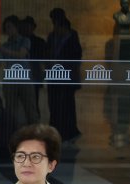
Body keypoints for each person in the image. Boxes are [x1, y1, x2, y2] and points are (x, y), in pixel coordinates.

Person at [47, 8, 83, 143]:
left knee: (67, 104)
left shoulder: (72, 36)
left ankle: (68, 131)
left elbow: (76, 56)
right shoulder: (52, 36)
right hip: (54, 76)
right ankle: (55, 129)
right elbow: (47, 53)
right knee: (54, 104)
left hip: (67, 77)